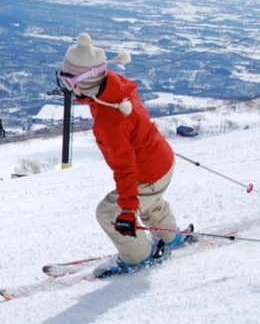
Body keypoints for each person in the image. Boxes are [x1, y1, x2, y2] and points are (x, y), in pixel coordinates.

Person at [57, 33, 192, 278]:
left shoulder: (110, 119)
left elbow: (125, 169)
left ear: (85, 81)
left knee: (109, 213)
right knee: (151, 202)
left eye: (68, 81)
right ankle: (171, 238)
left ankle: (138, 257)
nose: (67, 87)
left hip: (147, 173)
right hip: (161, 162)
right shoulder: (113, 86)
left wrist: (127, 212)